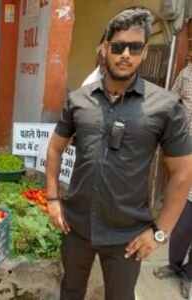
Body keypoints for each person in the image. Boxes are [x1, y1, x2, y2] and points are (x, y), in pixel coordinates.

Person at [45, 8, 192, 300]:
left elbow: (183, 172)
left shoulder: (163, 106)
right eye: (118, 46)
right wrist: (52, 198)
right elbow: (54, 148)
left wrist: (160, 232)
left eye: (134, 47)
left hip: (127, 236)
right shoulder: (78, 100)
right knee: (71, 290)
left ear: (144, 51)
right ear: (105, 48)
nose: (125, 54)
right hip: (77, 227)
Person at [153, 55, 192, 299]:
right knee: (181, 224)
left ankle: (189, 274)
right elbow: (170, 100)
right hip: (186, 154)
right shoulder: (187, 73)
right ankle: (174, 264)